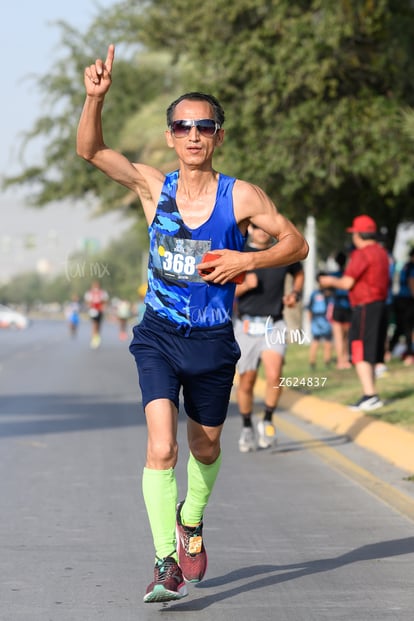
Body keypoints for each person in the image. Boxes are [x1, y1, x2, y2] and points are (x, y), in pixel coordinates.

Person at [77, 44, 308, 604]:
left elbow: (295, 242)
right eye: (183, 126)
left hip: (211, 342)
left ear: (218, 136)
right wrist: (94, 99)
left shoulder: (242, 196)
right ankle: (164, 563)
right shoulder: (154, 187)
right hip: (158, 336)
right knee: (162, 449)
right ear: (171, 137)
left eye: (204, 126)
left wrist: (247, 260)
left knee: (205, 448)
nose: (194, 135)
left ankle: (192, 518)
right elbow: (92, 151)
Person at [234, 223, 304, 452]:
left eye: (267, 227)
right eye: (258, 227)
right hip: (247, 326)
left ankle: (267, 421)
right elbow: (222, 287)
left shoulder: (281, 252)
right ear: (251, 228)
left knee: (275, 375)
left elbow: (299, 272)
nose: (263, 231)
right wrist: (243, 287)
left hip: (274, 323)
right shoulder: (240, 252)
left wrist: (295, 293)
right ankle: (247, 427)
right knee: (247, 381)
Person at [319, 215, 389, 411]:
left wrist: (328, 281)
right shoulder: (383, 253)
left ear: (359, 234)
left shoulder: (362, 253)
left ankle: (370, 395)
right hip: (380, 304)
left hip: (365, 305)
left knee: (359, 350)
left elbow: (347, 282)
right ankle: (371, 394)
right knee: (371, 350)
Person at [389, 247, 414, 365]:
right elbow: (411, 283)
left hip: (399, 299)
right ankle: (409, 355)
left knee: (399, 328)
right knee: (408, 328)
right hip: (407, 300)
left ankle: (388, 351)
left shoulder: (405, 265)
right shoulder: (411, 267)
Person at [307, 272, 334, 370]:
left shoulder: (329, 294)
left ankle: (327, 361)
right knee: (316, 341)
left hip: (325, 319)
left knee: (326, 341)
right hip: (318, 319)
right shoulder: (315, 294)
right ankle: (312, 362)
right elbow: (309, 308)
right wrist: (310, 321)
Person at [330, 251, 352, 369]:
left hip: (337, 308)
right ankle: (346, 359)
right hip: (348, 308)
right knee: (347, 337)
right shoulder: (348, 275)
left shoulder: (332, 275)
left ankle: (340, 361)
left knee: (338, 336)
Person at [84, 280, 109, 348]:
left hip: (100, 310)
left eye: (97, 285)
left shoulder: (102, 292)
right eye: (94, 285)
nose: (96, 287)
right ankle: (94, 338)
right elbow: (87, 301)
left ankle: (97, 336)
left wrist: (103, 306)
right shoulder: (89, 293)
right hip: (93, 311)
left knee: (99, 324)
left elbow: (105, 301)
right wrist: (90, 306)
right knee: (94, 323)